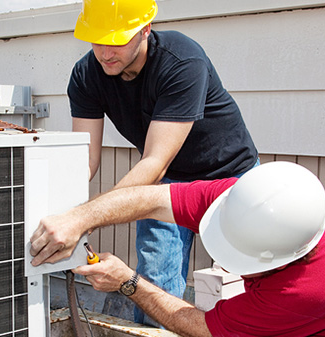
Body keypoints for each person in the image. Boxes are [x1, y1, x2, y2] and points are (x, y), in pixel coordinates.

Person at [30, 162, 325, 336]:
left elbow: (199, 326)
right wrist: (79, 219)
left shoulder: (307, 289)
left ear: (283, 261)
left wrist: (128, 281)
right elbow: (147, 199)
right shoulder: (242, 199)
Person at [65, 0, 259, 324]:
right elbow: (86, 158)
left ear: (145, 29)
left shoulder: (181, 61)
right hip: (166, 183)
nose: (105, 51)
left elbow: (155, 161)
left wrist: (84, 218)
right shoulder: (87, 74)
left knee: (250, 281)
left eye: (117, 40)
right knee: (153, 284)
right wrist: (63, 210)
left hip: (230, 178)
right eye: (98, 39)